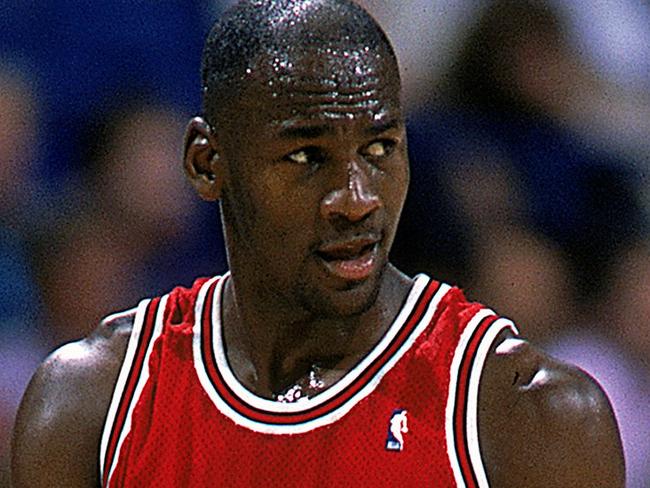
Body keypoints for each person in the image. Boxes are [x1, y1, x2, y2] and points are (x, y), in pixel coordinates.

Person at [11, 1, 625, 486]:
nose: (357, 198)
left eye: (380, 149)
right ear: (207, 163)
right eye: (307, 156)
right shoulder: (92, 404)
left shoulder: (528, 417)